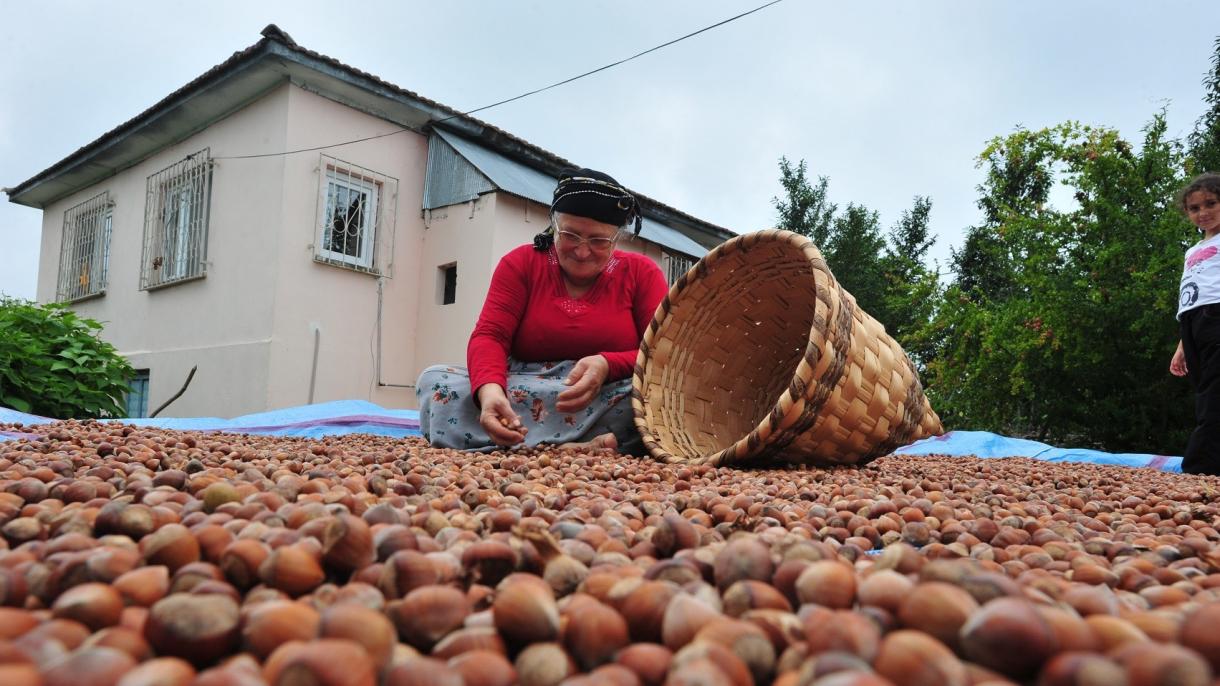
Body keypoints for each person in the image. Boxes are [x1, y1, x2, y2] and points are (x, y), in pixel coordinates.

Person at [416, 168, 669, 454]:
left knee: (653, 401)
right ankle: (587, 444)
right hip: (524, 384)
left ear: (617, 239)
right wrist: (490, 393)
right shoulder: (520, 264)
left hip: (605, 391)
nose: (582, 252)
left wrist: (607, 365)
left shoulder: (642, 273)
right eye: (571, 235)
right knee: (436, 381)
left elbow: (660, 355)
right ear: (554, 227)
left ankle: (519, 444)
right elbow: (490, 336)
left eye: (598, 241)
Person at [1170, 172, 1220, 475]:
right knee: (1205, 388)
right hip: (1193, 322)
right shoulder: (1193, 250)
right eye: (1194, 208)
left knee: (1215, 390)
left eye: (1211, 203)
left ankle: (1202, 467)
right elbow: (1190, 297)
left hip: (1217, 316)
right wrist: (1181, 346)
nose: (1203, 212)